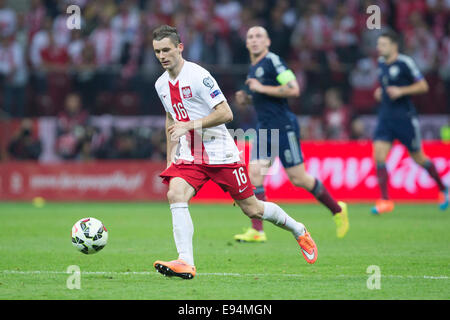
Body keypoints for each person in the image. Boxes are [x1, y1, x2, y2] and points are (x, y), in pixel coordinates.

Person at [151, 25, 318, 280]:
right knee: (175, 193)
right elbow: (170, 121)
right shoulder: (161, 84)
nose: (162, 56)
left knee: (252, 209)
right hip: (190, 156)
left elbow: (226, 113)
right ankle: (185, 261)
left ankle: (298, 229)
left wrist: (190, 125)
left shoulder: (198, 76)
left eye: (166, 50)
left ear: (179, 48)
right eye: (157, 51)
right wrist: (170, 158)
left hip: (221, 154)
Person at [233, 26, 349, 243]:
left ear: (267, 42)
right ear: (247, 43)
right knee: (255, 174)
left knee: (299, 178)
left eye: (259, 36)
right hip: (265, 128)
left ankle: (337, 209)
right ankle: (257, 230)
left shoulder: (273, 61)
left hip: (284, 126)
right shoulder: (253, 67)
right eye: (251, 37)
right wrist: (247, 100)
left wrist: (260, 88)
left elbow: (293, 88)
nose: (255, 40)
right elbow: (263, 97)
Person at [371, 30, 449, 214]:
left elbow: (423, 86)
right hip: (385, 117)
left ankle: (444, 189)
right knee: (379, 155)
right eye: (378, 44)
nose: (378, 47)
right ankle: (385, 200)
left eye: (382, 44)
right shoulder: (381, 63)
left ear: (393, 46)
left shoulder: (405, 63)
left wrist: (401, 91)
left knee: (419, 158)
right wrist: (380, 93)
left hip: (404, 118)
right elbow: (385, 85)